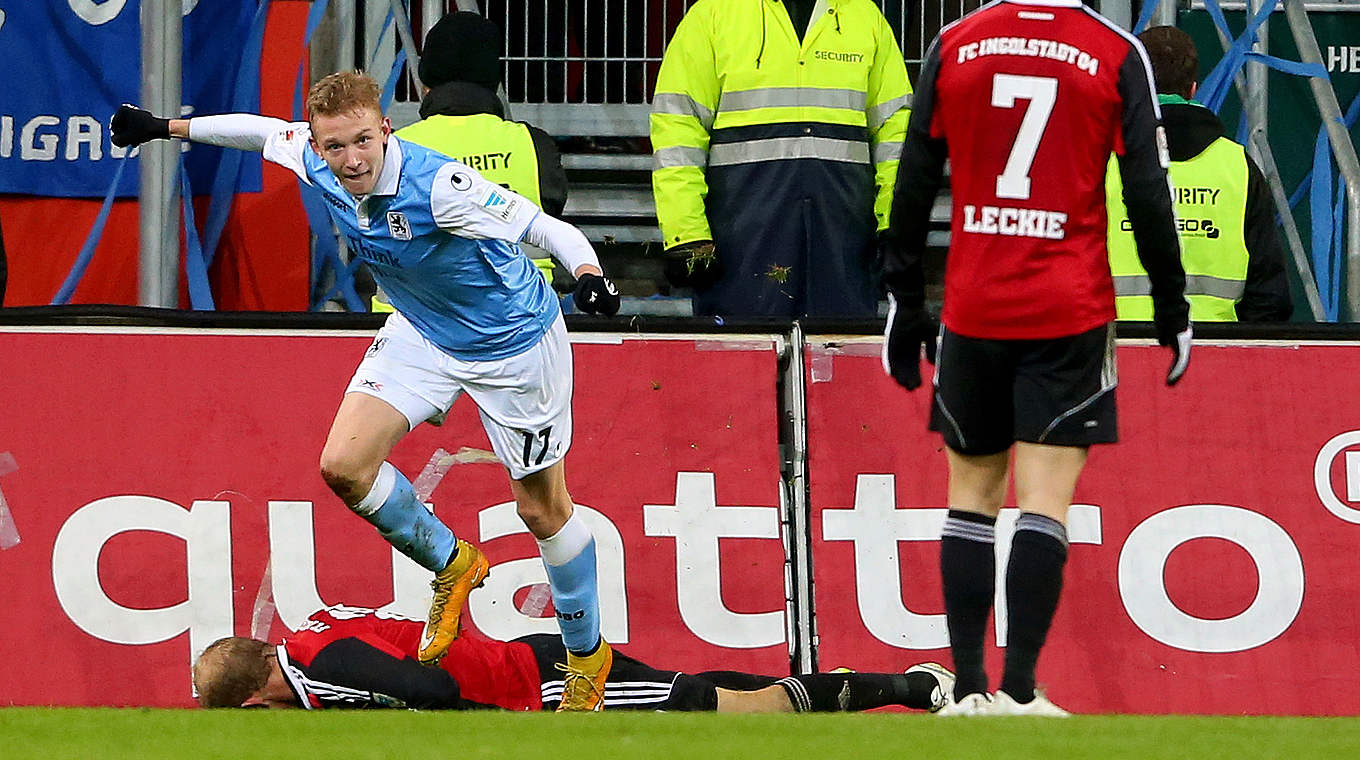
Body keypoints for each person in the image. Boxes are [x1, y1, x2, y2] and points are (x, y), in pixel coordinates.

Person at [110, 70, 622, 711]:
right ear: (318, 144)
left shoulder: (439, 186)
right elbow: (258, 132)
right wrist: (163, 128)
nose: (350, 161)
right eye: (334, 146)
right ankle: (452, 563)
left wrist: (590, 273)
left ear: (385, 129)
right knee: (344, 467)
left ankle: (586, 657)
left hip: (511, 343)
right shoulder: (314, 156)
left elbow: (544, 228)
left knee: (542, 512)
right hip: (421, 330)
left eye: (361, 142)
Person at [881, 0, 1192, 716]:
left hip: (976, 305)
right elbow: (1148, 191)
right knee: (1044, 502)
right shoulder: (1114, 51)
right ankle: (1020, 689)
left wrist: (905, 302)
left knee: (970, 498)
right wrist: (1172, 307)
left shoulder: (955, 43)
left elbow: (914, 180)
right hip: (1070, 311)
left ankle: (965, 690)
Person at [649, 0, 912, 318]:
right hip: (741, 244)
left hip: (842, 243)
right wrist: (686, 234)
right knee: (742, 360)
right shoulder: (713, 15)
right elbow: (678, 130)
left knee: (837, 357)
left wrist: (896, 223)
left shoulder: (865, 17)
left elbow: (896, 134)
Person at [192, 604, 954, 713]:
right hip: (533, 660)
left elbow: (428, 687)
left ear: (258, 697)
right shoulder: (309, 635)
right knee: (702, 691)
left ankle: (911, 688)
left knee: (728, 710)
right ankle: (911, 685)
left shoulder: (321, 666)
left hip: (549, 692)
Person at [1106, 25, 1293, 322]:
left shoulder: (1099, 162)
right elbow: (1270, 298)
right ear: (1193, 88)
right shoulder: (1238, 167)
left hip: (1117, 354)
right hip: (1215, 357)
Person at [386, 10, 568, 302]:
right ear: (495, 84)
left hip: (411, 328)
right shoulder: (535, 146)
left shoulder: (393, 150)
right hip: (520, 322)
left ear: (425, 84)